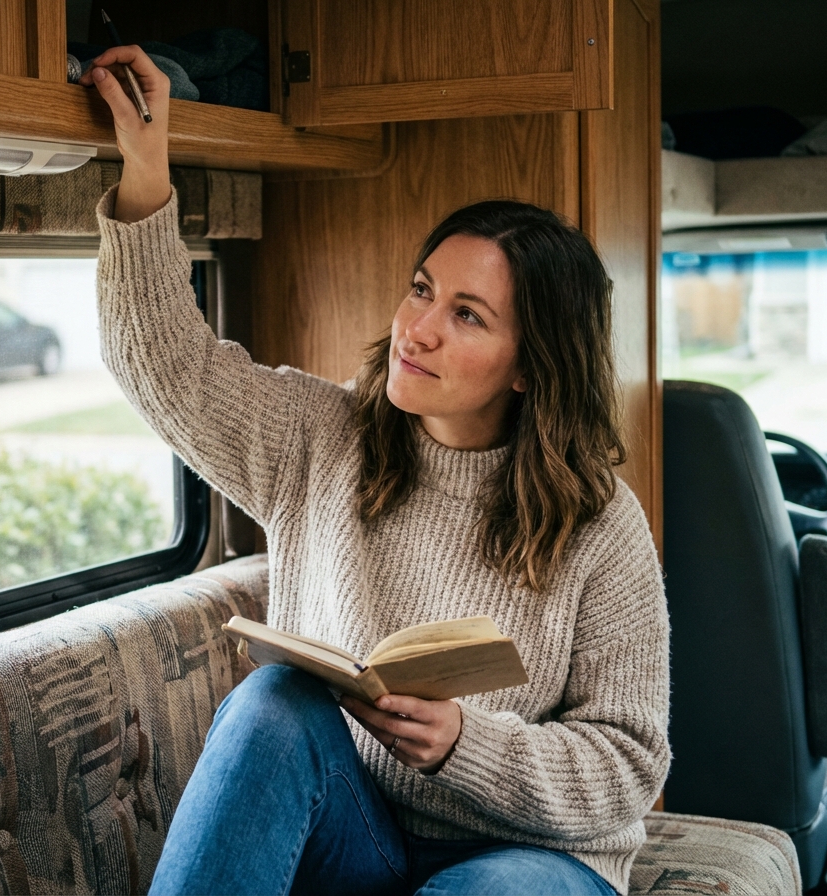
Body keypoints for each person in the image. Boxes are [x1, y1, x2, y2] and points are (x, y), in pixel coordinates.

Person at [80, 46, 669, 896]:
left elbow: (629, 766)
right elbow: (162, 365)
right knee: (271, 703)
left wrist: (465, 742)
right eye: (421, 289)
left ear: (530, 366)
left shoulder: (599, 522)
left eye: (465, 314)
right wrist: (143, 169)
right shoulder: (322, 438)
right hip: (353, 832)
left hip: (532, 863)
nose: (417, 328)